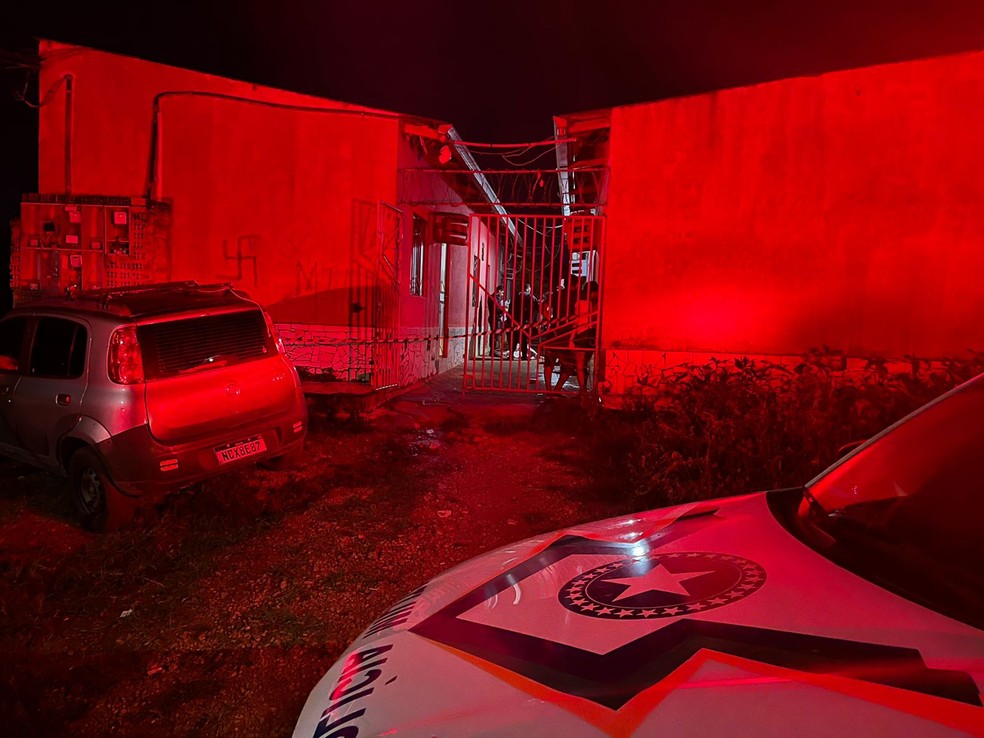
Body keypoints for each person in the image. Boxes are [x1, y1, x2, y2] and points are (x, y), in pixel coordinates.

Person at [509, 283, 539, 360]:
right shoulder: (532, 298)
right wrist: (534, 321)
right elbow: (537, 310)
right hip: (527, 322)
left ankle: (511, 355)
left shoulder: (516, 297)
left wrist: (510, 319)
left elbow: (510, 308)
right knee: (524, 339)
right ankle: (524, 355)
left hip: (515, 321)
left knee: (514, 338)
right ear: (529, 289)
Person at [485, 286, 508, 355]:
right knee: (495, 335)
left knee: (496, 334)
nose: (503, 294)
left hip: (496, 317)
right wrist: (504, 310)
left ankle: (494, 349)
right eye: (502, 293)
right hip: (495, 318)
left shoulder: (495, 297)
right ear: (499, 291)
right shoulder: (494, 298)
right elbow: (496, 309)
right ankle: (493, 350)